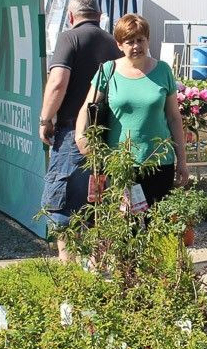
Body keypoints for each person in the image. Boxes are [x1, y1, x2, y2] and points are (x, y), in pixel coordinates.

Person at [74, 13, 189, 211]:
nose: (136, 46)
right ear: (119, 45)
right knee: (125, 226)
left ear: (148, 40)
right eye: (129, 42)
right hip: (120, 163)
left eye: (140, 40)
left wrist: (182, 160)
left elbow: (173, 117)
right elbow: (87, 107)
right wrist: (80, 138)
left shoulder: (163, 71)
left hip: (159, 161)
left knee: (156, 225)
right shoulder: (108, 71)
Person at [39, 0, 122, 261]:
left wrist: (45, 119)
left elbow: (58, 83)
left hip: (74, 133)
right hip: (107, 136)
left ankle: (69, 268)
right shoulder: (113, 43)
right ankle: (98, 266)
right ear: (99, 16)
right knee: (99, 203)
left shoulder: (69, 38)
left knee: (64, 205)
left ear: (71, 15)